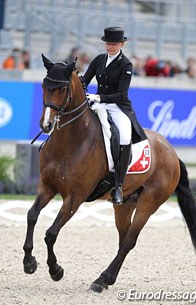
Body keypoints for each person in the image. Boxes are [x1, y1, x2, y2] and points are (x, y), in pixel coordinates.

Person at [84, 26, 147, 205]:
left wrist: (98, 97)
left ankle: (118, 185)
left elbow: (122, 94)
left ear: (122, 44)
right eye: (108, 43)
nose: (110, 47)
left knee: (125, 137)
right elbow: (84, 81)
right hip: (97, 104)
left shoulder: (126, 65)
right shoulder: (98, 60)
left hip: (117, 106)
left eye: (114, 44)